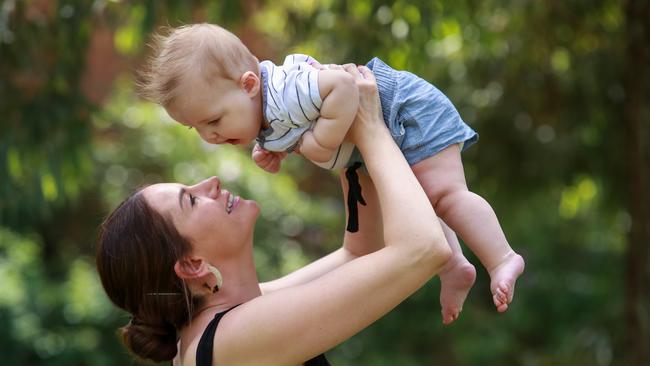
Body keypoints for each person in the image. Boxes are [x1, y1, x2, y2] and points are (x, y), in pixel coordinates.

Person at [137, 23, 525, 324]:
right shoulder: (264, 116)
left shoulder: (288, 91)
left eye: (214, 120)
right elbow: (290, 131)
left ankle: (502, 257)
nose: (211, 136)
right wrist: (274, 150)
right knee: (419, 204)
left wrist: (323, 139)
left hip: (402, 110)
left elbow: (342, 84)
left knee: (444, 196)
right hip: (383, 134)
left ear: (249, 84)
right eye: (198, 129)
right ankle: (454, 266)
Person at [96, 65, 452, 365]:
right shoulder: (230, 341)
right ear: (192, 265)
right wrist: (370, 124)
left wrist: (345, 147)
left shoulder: (234, 315)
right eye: (191, 200)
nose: (211, 182)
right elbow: (422, 250)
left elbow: (361, 253)